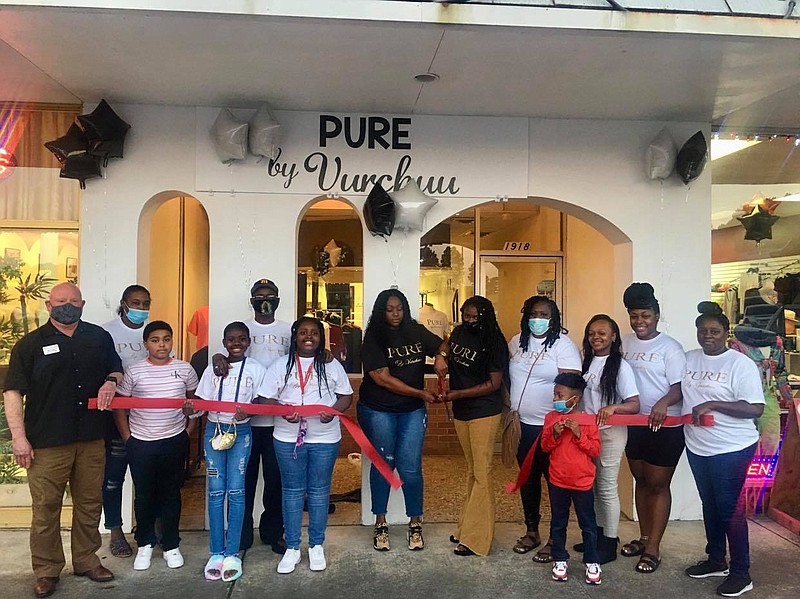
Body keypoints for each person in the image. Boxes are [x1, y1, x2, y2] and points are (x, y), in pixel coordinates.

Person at [3, 282, 121, 598]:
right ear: (48, 305)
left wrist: (111, 382)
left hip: (91, 438)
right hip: (46, 442)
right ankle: (46, 570)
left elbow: (116, 369)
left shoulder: (98, 338)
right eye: (60, 301)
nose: (67, 305)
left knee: (89, 503)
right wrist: (19, 438)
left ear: (83, 304)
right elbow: (13, 392)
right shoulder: (29, 345)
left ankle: (86, 560)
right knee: (45, 509)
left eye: (73, 300)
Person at [257, 317, 353, 573]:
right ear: (295, 336)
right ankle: (292, 548)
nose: (308, 337)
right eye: (303, 332)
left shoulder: (331, 365)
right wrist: (282, 410)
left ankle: (316, 546)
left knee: (320, 492)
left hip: (325, 437)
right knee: (292, 491)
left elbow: (347, 396)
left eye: (314, 333)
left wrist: (332, 411)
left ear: (321, 338)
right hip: (288, 438)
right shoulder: (281, 365)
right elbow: (265, 398)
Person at [682, 303, 764, 598]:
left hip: (732, 447)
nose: (708, 336)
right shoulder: (690, 358)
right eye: (703, 331)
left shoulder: (739, 364)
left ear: (726, 333)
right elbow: (678, 389)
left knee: (730, 509)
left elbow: (755, 407)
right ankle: (716, 559)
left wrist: (713, 404)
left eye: (715, 331)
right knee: (710, 504)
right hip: (698, 446)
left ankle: (741, 573)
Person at [357, 288, 448, 551]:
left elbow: (443, 344)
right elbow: (382, 377)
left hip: (411, 411)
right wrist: (421, 393)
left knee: (410, 467)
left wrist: (441, 356)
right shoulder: (373, 337)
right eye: (389, 309)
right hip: (378, 409)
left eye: (399, 308)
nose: (395, 314)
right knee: (385, 465)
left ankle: (415, 522)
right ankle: (380, 522)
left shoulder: (416, 331)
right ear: (381, 311)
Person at [212, 279, 291, 553]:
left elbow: (302, 356)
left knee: (275, 480)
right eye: (259, 295)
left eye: (270, 295)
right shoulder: (243, 328)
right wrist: (216, 357)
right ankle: (240, 534)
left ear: (278, 299)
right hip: (243, 423)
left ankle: (273, 532)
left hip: (277, 421)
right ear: (252, 299)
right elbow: (231, 354)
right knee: (242, 481)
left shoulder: (287, 329)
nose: (265, 299)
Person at [114, 321, 198, 571]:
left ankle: (171, 545)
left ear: (172, 341)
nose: (161, 344)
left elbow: (194, 405)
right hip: (141, 442)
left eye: (166, 339)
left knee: (171, 494)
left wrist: (187, 433)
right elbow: (120, 408)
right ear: (146, 344)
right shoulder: (134, 371)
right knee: (144, 495)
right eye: (155, 340)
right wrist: (128, 438)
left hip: (173, 440)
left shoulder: (185, 369)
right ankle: (145, 544)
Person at [187, 321, 266, 582]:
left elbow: (260, 402)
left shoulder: (256, 369)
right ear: (223, 343)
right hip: (214, 431)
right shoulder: (213, 367)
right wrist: (191, 409)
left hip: (241, 432)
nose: (236, 343)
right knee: (216, 490)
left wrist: (250, 410)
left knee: (236, 490)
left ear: (248, 342)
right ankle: (216, 552)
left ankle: (233, 552)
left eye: (241, 339)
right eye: (231, 339)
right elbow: (201, 402)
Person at [507, 295, 581, 563]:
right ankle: (531, 531)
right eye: (533, 313)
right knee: (528, 480)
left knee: (556, 485)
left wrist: (561, 422)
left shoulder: (564, 346)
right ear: (526, 315)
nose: (538, 319)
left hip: (553, 428)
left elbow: (572, 388)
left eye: (544, 314)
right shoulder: (517, 341)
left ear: (553, 318)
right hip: (522, 426)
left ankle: (555, 539)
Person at [620, 282, 686, 574]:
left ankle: (654, 548)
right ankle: (644, 537)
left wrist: (663, 402)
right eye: (634, 316)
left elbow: (680, 386)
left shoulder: (670, 347)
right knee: (641, 480)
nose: (639, 322)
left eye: (645, 315)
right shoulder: (625, 343)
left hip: (666, 425)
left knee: (658, 485)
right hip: (635, 423)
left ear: (656, 315)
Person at [439, 296, 508, 557]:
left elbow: (493, 384)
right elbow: (448, 343)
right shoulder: (458, 331)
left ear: (486, 317)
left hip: (484, 412)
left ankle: (477, 540)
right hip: (462, 412)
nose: (470, 321)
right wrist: (441, 355)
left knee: (482, 471)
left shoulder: (494, 342)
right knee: (472, 470)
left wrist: (458, 394)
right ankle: (467, 527)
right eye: (466, 316)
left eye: (475, 317)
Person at [579, 314, 640, 563]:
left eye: (602, 332)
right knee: (591, 487)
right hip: (587, 434)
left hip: (610, 434)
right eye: (592, 332)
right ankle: (596, 536)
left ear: (613, 336)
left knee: (606, 487)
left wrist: (614, 408)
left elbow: (634, 404)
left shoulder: (620, 367)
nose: (597, 337)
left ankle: (610, 542)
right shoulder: (587, 362)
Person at [100, 284, 151, 558]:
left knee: (149, 475)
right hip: (114, 416)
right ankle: (116, 531)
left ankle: (149, 528)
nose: (141, 308)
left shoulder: (154, 331)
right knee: (114, 476)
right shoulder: (105, 331)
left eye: (145, 303)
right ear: (124, 303)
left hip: (148, 415)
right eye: (136, 303)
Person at [541, 373, 602, 585]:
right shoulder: (551, 418)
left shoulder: (587, 420)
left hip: (582, 482)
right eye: (555, 394)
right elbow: (544, 447)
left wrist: (578, 434)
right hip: (558, 481)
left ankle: (592, 561)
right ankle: (559, 559)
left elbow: (595, 450)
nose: (555, 399)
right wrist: (555, 435)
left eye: (560, 395)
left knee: (588, 524)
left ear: (574, 399)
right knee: (558, 522)